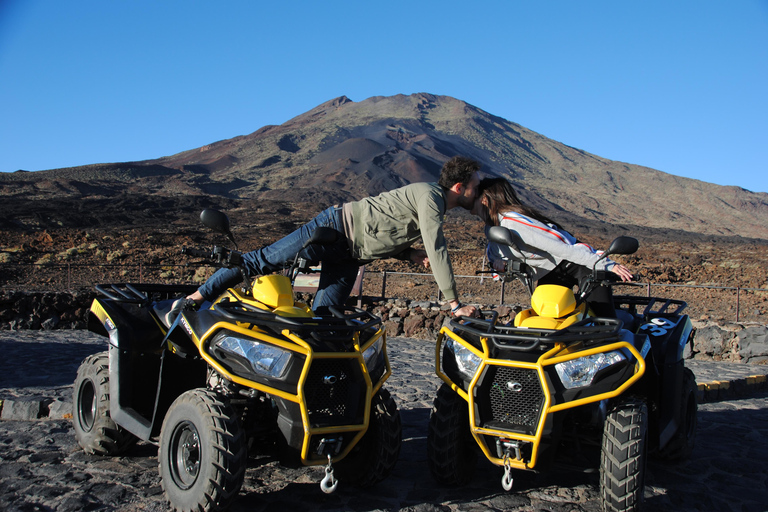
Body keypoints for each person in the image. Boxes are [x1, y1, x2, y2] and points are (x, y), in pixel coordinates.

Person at [187, 156, 482, 318]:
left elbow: (380, 231)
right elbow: (437, 247)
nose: (477, 192)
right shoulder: (431, 197)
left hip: (350, 255)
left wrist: (408, 254)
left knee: (325, 319)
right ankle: (195, 298)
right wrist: (454, 304)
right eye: (475, 187)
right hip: (333, 229)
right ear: (459, 187)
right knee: (261, 261)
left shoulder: (432, 202)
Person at [472, 177, 633, 295]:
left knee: (601, 320)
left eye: (475, 197)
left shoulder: (513, 222)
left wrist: (605, 264)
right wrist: (502, 268)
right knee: (549, 316)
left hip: (577, 264)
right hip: (550, 273)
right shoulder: (493, 232)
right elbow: (501, 274)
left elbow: (562, 247)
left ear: (485, 200)